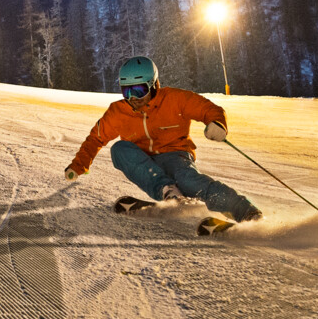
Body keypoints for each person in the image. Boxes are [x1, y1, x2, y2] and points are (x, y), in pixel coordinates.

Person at [65, 56, 261, 222]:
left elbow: (209, 109)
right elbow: (95, 139)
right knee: (119, 150)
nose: (133, 98)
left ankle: (247, 212)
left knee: (189, 181)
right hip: (144, 162)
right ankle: (169, 193)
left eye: (139, 90)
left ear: (154, 85)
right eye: (127, 91)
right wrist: (78, 165)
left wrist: (217, 123)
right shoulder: (118, 111)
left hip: (176, 156)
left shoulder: (174, 99)